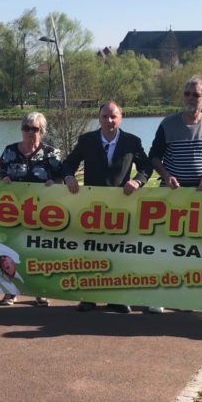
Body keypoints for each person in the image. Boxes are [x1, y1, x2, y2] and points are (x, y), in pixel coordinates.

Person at [61, 101, 152, 313]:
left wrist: (138, 181)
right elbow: (68, 163)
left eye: (113, 117)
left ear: (120, 118)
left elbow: (146, 166)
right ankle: (89, 298)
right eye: (104, 117)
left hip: (121, 207)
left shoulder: (132, 141)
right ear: (99, 118)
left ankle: (117, 298)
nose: (109, 121)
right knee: (92, 252)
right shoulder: (86, 140)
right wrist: (68, 177)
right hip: (92, 209)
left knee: (118, 253)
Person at [147, 76, 202, 314]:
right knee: (164, 246)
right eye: (187, 94)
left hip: (200, 194)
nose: (191, 98)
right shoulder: (167, 124)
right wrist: (166, 174)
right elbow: (154, 156)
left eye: (196, 94)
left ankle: (188, 296)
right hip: (171, 193)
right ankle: (158, 296)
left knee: (196, 248)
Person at [0, 111, 63, 307]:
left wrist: (53, 182)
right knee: (11, 252)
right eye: (26, 128)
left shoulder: (51, 153)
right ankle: (10, 292)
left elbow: (62, 177)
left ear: (42, 131)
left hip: (42, 213)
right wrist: (3, 180)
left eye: (34, 129)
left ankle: (39, 291)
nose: (29, 132)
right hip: (13, 212)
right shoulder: (9, 151)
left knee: (39, 252)